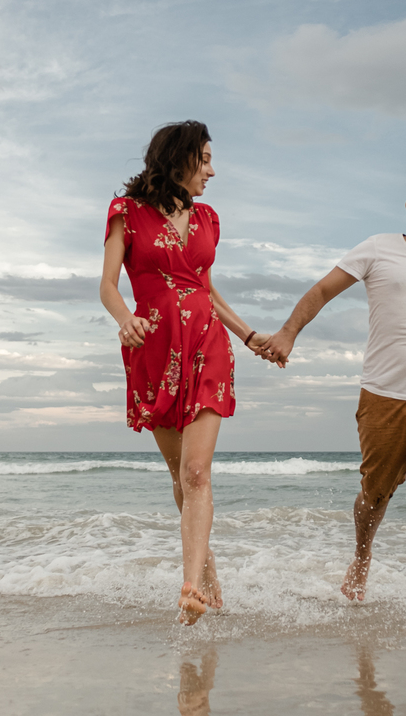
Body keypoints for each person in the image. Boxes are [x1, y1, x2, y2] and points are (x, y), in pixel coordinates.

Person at [262, 162, 406, 627]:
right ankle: (362, 557)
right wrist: (287, 333)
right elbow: (323, 290)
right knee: (376, 493)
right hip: (384, 393)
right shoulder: (378, 249)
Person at [100, 120, 269, 625]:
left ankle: (190, 585)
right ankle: (207, 564)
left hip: (207, 344)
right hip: (154, 347)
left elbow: (208, 290)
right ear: (180, 159)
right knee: (179, 475)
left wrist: (249, 335)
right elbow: (108, 285)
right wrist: (125, 319)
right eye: (206, 160)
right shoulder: (126, 213)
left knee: (197, 471)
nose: (212, 172)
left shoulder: (209, 219)